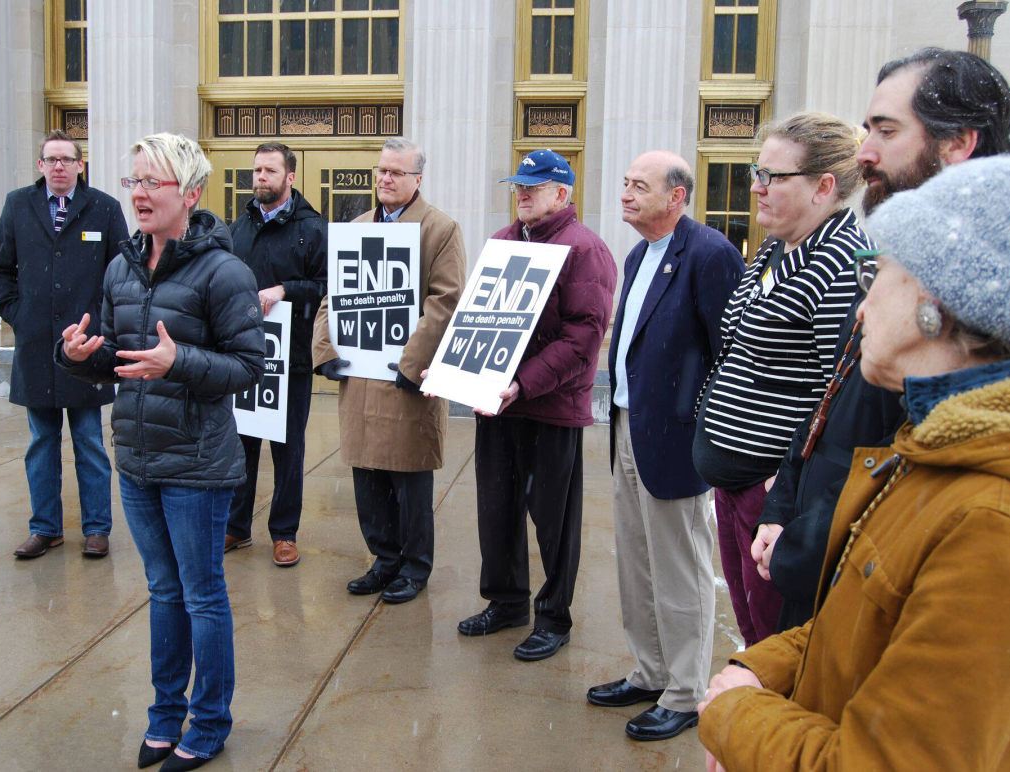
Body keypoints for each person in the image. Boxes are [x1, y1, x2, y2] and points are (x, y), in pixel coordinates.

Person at [698, 155, 1010, 772]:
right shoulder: (931, 454)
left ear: (936, 302)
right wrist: (762, 669)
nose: (861, 308)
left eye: (881, 272)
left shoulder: (985, 524)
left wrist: (735, 717)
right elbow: (859, 623)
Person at [753, 49, 1010, 632]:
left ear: (957, 144)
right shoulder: (890, 253)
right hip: (815, 566)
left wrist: (803, 542)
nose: (863, 152)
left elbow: (896, 456)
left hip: (872, 592)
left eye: (886, 130)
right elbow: (831, 401)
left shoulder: (980, 281)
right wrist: (782, 506)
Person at [55, 133, 264, 771]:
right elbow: (119, 363)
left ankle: (210, 721)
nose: (139, 194)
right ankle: (164, 714)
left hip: (198, 464)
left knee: (202, 595)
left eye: (152, 182)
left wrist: (182, 361)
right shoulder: (120, 266)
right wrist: (79, 359)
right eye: (133, 181)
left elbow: (249, 365)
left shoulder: (224, 271)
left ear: (191, 194)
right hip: (138, 460)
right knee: (163, 591)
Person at [692, 112, 871, 646]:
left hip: (773, 497)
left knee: (777, 644)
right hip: (733, 482)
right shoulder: (773, 250)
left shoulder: (843, 262)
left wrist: (783, 490)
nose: (756, 187)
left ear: (823, 186)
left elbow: (837, 390)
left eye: (773, 175)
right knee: (753, 634)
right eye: (756, 170)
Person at [586, 152, 743, 741]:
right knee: (636, 561)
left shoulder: (709, 255)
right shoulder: (637, 253)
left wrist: (702, 428)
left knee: (681, 570)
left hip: (677, 439)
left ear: (676, 197)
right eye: (624, 183)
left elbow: (730, 353)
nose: (625, 194)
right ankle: (649, 671)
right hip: (629, 426)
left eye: (639, 187)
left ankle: (684, 692)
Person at [456, 150, 615, 662]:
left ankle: (553, 616)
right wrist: (457, 369)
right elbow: (476, 317)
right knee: (496, 511)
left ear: (562, 193)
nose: (521, 193)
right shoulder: (504, 242)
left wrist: (523, 384)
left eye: (533, 186)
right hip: (499, 406)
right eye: (517, 185)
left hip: (551, 406)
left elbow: (584, 338)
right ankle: (505, 601)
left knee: (555, 521)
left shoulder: (585, 249)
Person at [312, 137, 466, 605]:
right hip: (360, 376)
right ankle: (383, 559)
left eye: (396, 172)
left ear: (418, 178)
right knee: (367, 475)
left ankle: (414, 567)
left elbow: (445, 302)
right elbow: (332, 296)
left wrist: (412, 364)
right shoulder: (357, 227)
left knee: (409, 476)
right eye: (381, 171)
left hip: (405, 379)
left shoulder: (440, 229)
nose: (385, 179)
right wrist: (325, 350)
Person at [0, 129, 130, 559]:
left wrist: (104, 330)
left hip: (87, 350)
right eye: (51, 160)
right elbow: (0, 269)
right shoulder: (18, 205)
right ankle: (45, 528)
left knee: (89, 441)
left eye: (67, 159)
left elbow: (120, 273)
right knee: (41, 443)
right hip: (36, 349)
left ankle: (97, 529)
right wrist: (20, 317)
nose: (59, 167)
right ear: (40, 166)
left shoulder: (104, 208)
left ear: (80, 165)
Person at [224, 142, 327, 567]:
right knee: (241, 443)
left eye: (269, 170)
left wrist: (286, 289)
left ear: (290, 177)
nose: (260, 177)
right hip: (244, 356)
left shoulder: (313, 228)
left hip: (293, 360)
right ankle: (236, 525)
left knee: (288, 449)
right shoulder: (237, 228)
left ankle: (284, 533)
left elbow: (326, 287)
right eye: (256, 170)